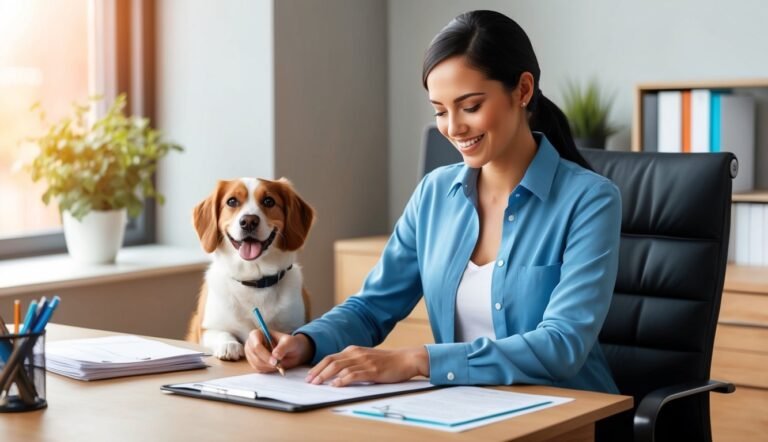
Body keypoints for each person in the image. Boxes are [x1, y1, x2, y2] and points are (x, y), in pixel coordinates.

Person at [244, 10, 621, 394]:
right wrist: (304, 342)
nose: (453, 128)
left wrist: (418, 360)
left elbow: (562, 345)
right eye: (440, 111)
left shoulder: (590, 201)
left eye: (470, 106)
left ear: (523, 90)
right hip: (461, 409)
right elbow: (372, 307)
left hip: (570, 413)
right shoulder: (433, 194)